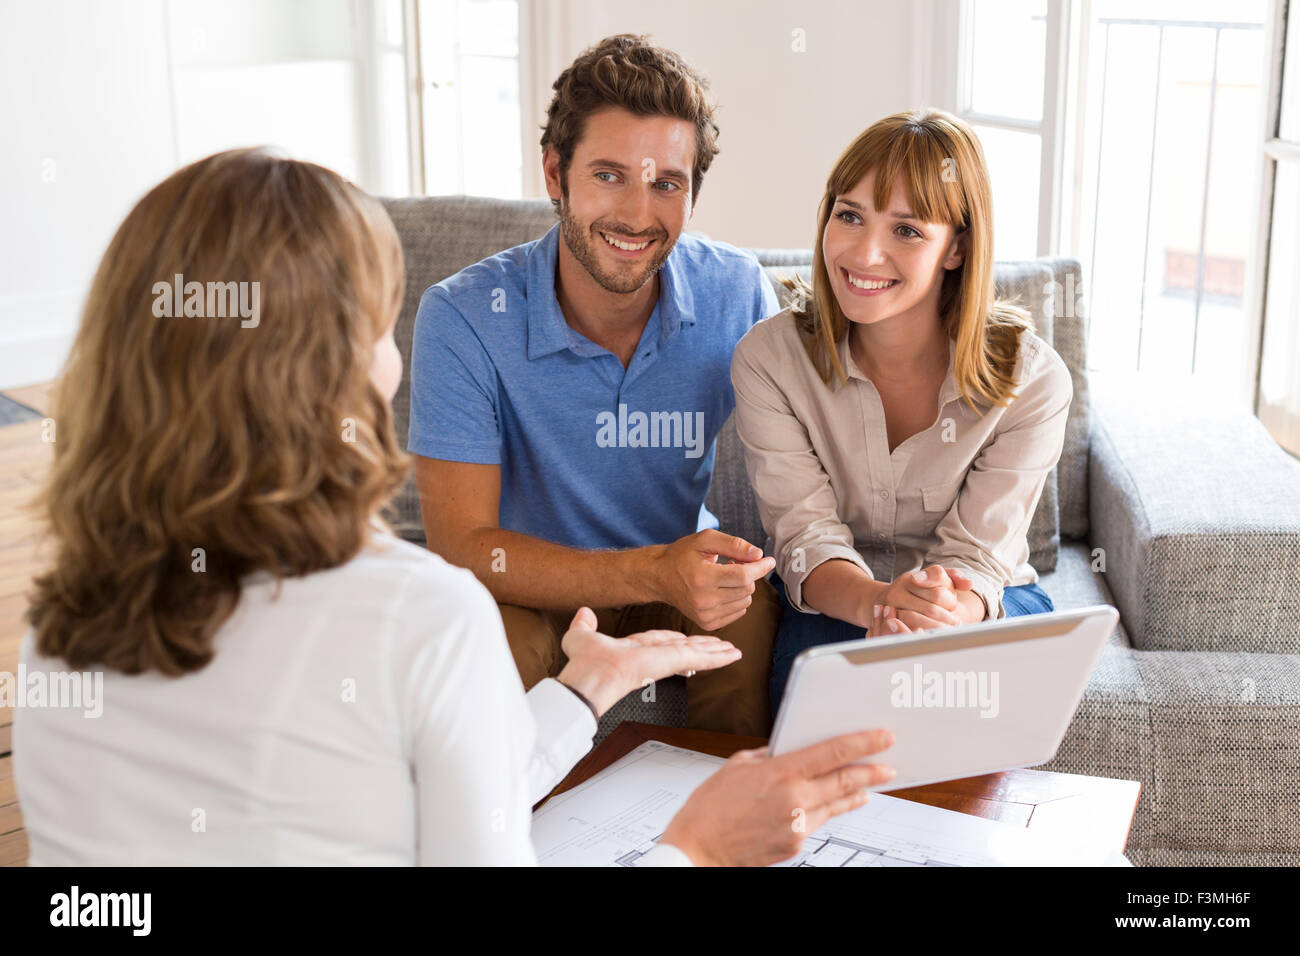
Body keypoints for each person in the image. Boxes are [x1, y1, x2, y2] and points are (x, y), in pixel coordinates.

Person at [15, 148, 895, 866]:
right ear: (337, 371)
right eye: (378, 329)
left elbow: (396, 804)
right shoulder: (420, 617)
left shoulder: (60, 630)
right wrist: (697, 850)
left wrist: (581, 695)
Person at [409, 35, 782, 737]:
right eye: (609, 175)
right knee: (498, 643)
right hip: (527, 592)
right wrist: (651, 572)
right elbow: (462, 549)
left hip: (672, 579)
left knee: (751, 613)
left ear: (693, 192)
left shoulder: (735, 292)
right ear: (555, 173)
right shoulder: (463, 315)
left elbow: (811, 449)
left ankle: (718, 831)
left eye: (666, 183)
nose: (639, 215)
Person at [729, 109, 1073, 717]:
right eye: (850, 215)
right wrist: (880, 604)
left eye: (908, 230)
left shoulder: (1032, 381)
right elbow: (805, 535)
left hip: (974, 602)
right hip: (841, 599)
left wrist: (935, 614)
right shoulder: (770, 358)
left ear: (957, 247)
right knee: (819, 720)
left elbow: (978, 558)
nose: (865, 253)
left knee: (964, 729)